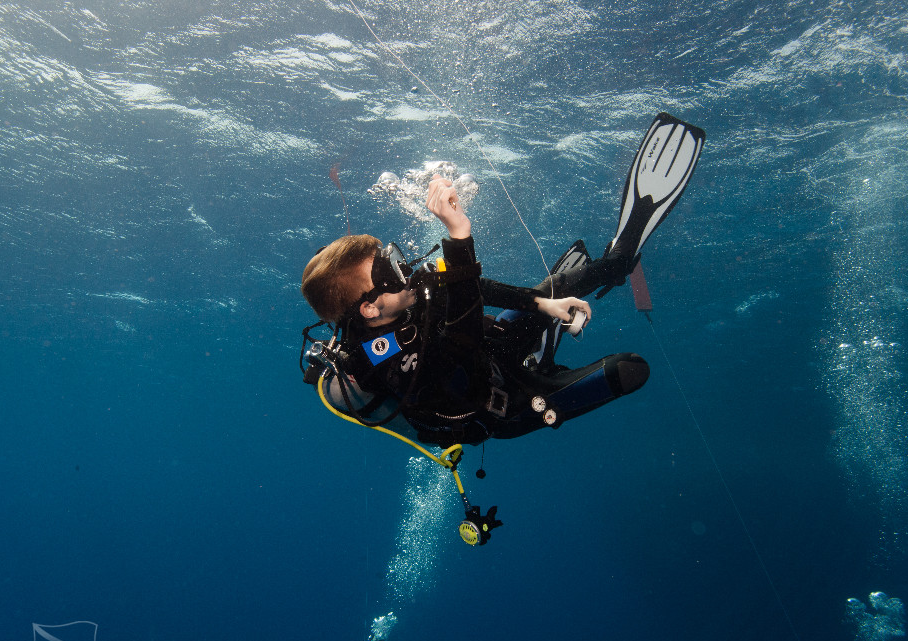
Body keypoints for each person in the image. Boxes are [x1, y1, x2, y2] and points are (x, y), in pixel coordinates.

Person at [301, 113, 704, 447]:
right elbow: (459, 350)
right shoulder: (383, 362)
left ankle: (618, 260)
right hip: (501, 405)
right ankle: (541, 357)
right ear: (370, 307)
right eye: (388, 271)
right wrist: (459, 239)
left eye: (394, 257)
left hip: (494, 348)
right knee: (630, 370)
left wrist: (540, 303)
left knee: (556, 290)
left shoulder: (400, 296)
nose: (403, 270)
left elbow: (472, 290)